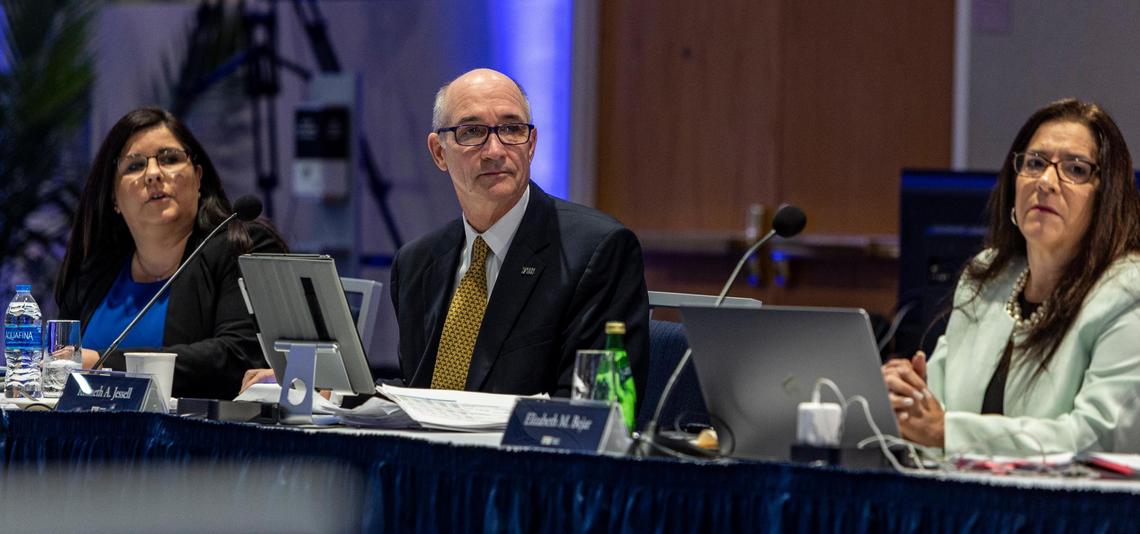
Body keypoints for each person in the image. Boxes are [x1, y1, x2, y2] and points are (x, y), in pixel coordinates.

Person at [882, 98, 1140, 455]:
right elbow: (937, 413)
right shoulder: (985, 278)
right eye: (1034, 163)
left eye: (1075, 169)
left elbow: (1094, 438)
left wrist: (946, 432)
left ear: (1107, 198)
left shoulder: (1128, 294)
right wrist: (909, 399)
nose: (1046, 181)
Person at [390, 68, 650, 401]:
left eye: (512, 129)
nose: (495, 151)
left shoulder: (597, 251)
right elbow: (417, 390)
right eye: (472, 132)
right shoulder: (415, 263)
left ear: (531, 144)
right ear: (439, 152)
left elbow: (593, 408)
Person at [55, 107, 286, 400]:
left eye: (170, 159)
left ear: (198, 178)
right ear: (114, 197)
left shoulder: (241, 248)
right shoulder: (93, 274)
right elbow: (59, 367)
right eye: (134, 166)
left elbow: (238, 356)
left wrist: (104, 363)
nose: (153, 174)